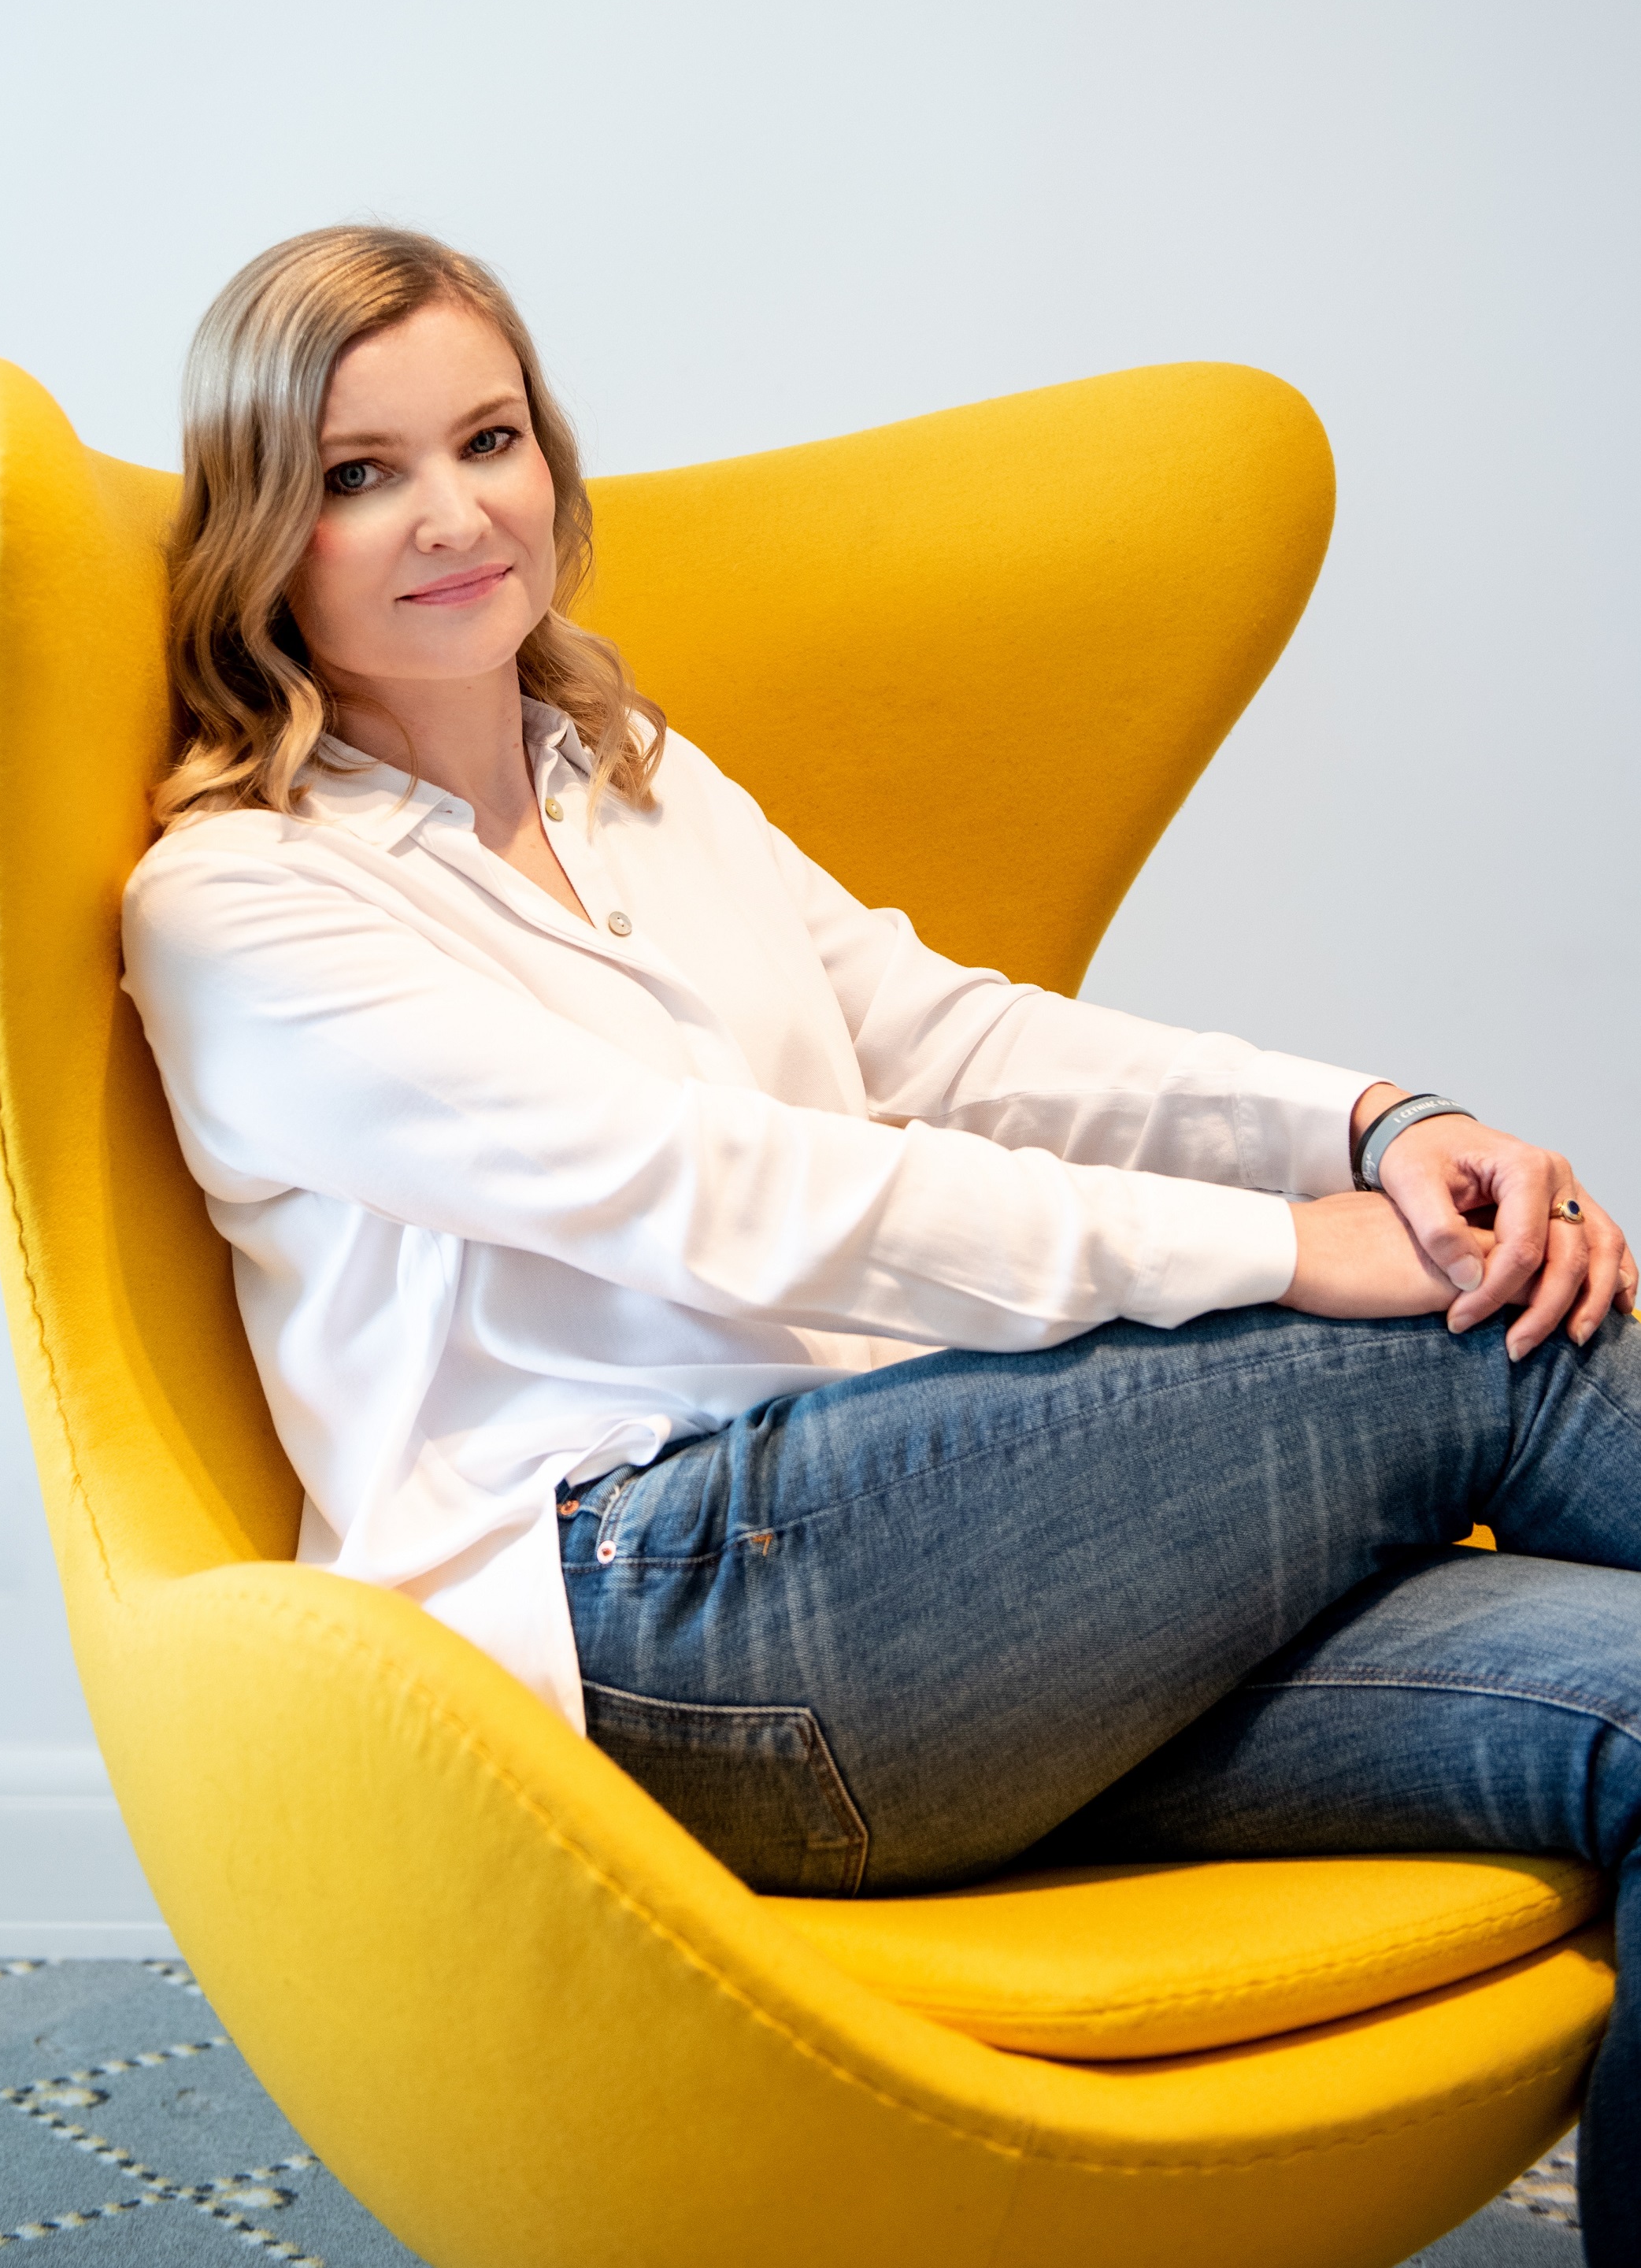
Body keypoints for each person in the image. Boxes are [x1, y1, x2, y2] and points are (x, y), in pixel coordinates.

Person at [124, 224, 1639, 2255]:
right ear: (259, 533)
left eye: (489, 439)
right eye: (358, 473)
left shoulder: (634, 781)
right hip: (667, 1626)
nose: (458, 514)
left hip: (958, 1612)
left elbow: (955, 1038)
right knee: (1478, 1325)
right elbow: (736, 1198)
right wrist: (1293, 1245)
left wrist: (1371, 1118)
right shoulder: (240, 905)